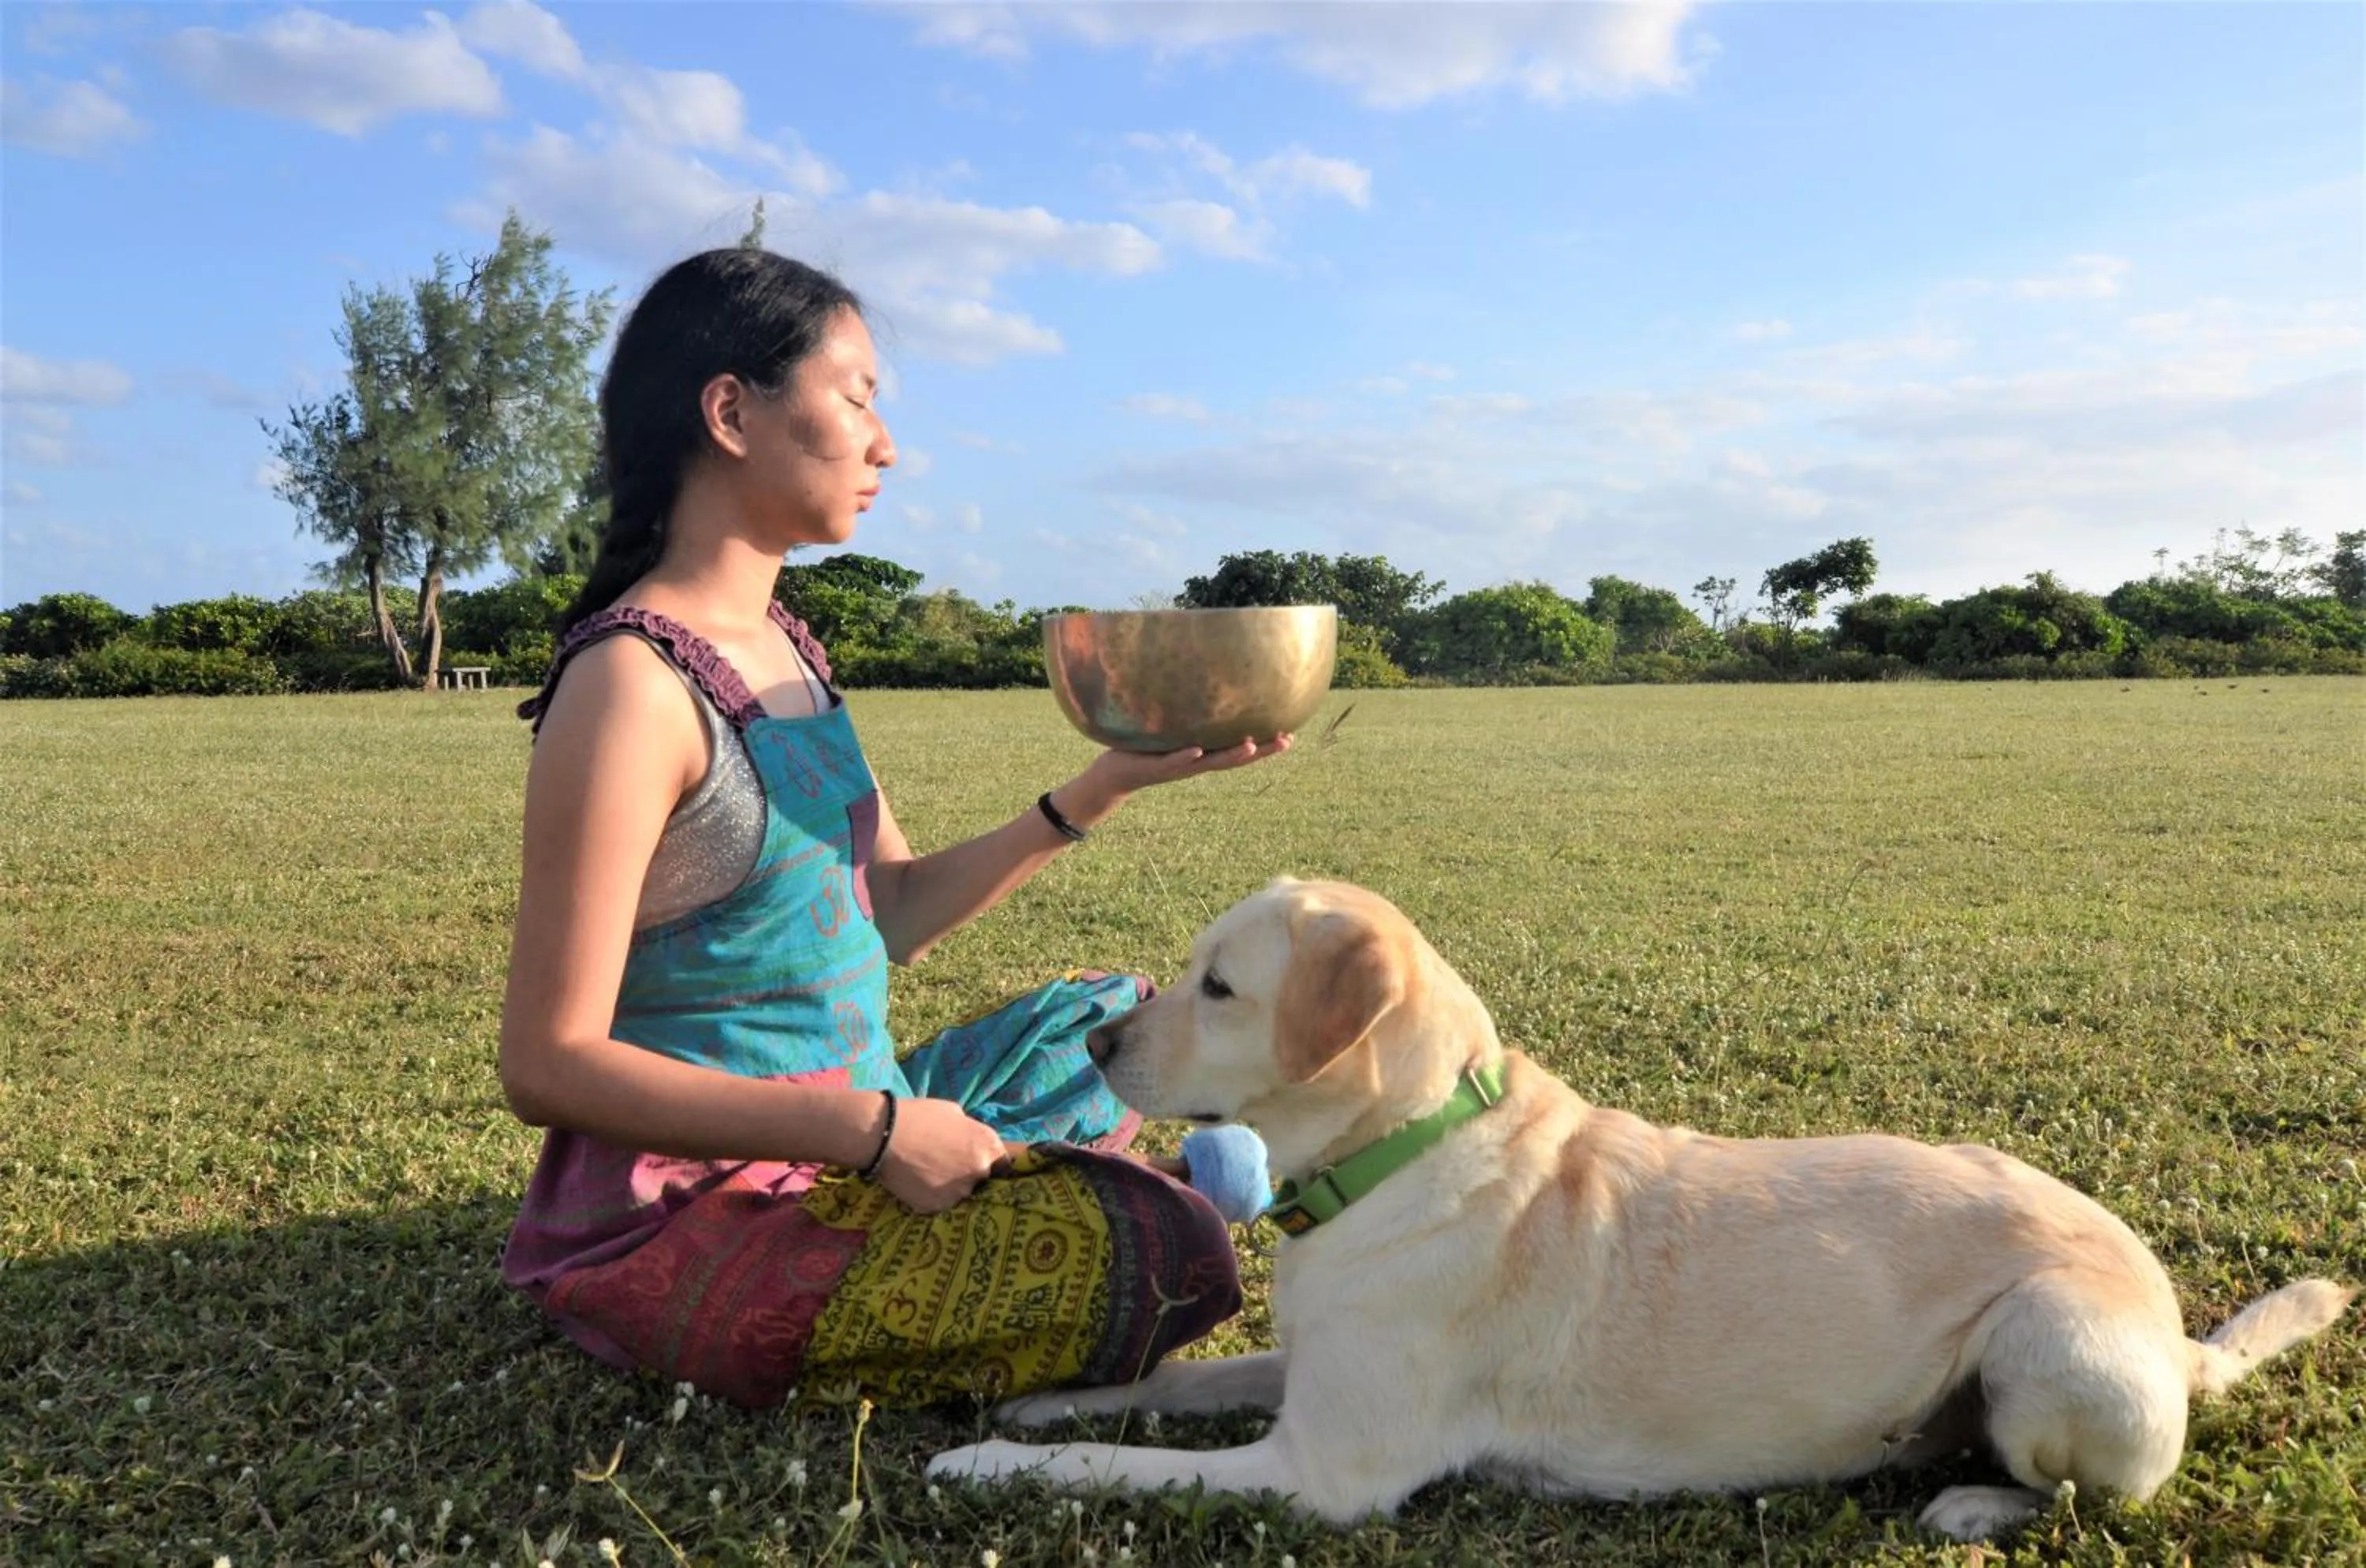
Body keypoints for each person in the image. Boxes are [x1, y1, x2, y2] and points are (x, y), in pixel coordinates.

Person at [496, 248, 1289, 1409]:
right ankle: (1121, 1194)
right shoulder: (630, 687)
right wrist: (870, 1131)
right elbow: (546, 1063)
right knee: (1161, 1259)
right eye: (857, 396)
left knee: (1115, 1020)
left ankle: (1064, 1176)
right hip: (704, 1210)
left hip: (857, 1115)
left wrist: (1099, 789)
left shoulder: (792, 655)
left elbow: (892, 910)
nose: (886, 443)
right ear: (730, 411)